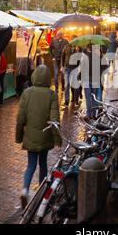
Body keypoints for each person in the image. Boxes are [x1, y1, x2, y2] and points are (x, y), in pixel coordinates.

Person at [16, 65, 61, 209]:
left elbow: (20, 118)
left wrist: (19, 136)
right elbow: (54, 119)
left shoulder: (27, 93)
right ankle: (41, 193)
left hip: (30, 135)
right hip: (45, 136)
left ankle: (25, 189)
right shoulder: (52, 95)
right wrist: (57, 139)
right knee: (43, 164)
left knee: (30, 165)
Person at [81, 45, 102, 119]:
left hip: (87, 79)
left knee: (88, 98)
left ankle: (89, 114)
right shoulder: (98, 58)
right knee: (94, 97)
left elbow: (82, 69)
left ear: (88, 49)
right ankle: (94, 114)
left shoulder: (85, 58)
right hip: (95, 80)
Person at [61, 37, 76, 106]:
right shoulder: (66, 47)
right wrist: (62, 66)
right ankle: (67, 100)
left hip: (75, 69)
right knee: (67, 85)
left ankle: (75, 98)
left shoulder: (78, 48)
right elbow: (63, 56)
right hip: (67, 68)